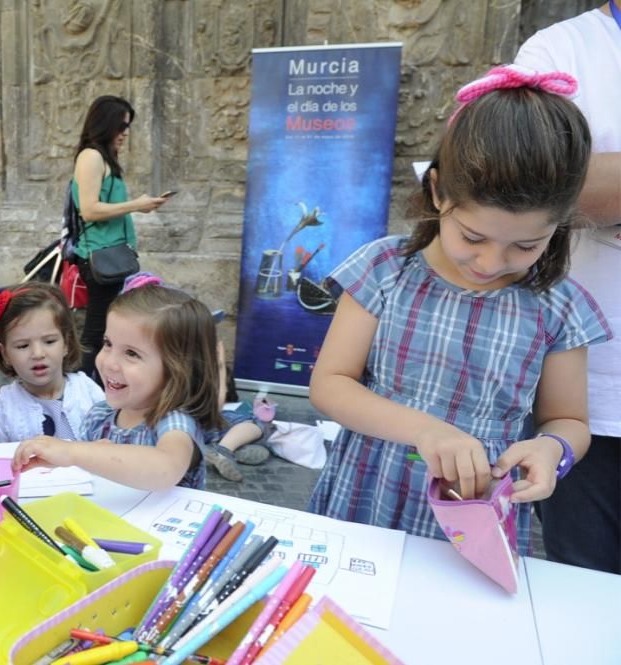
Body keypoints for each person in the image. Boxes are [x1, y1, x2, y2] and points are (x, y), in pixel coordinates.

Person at [306, 66, 612, 554]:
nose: (491, 263)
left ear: (560, 225)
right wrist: (426, 430)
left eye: (526, 245)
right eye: (473, 236)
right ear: (437, 192)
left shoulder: (561, 306)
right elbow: (329, 385)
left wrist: (551, 449)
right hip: (365, 497)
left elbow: (568, 421)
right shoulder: (385, 269)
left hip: (478, 517)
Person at [514, 1, 621, 574]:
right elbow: (536, 179)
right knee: (583, 585)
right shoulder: (562, 51)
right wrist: (576, 188)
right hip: (592, 395)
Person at [11, 275, 223, 491]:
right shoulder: (99, 416)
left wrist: (74, 452)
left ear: (176, 367)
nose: (109, 362)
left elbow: (166, 467)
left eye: (131, 353)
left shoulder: (175, 423)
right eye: (108, 343)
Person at [72, 96, 170, 382]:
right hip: (100, 257)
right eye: (122, 125)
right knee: (96, 330)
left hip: (112, 255)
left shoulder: (104, 159)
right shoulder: (91, 157)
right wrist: (136, 205)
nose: (125, 132)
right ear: (106, 124)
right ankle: (82, 391)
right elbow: (89, 209)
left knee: (105, 329)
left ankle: (99, 386)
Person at [0, 282, 104, 442]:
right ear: (5, 353)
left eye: (49, 341)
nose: (38, 354)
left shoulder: (88, 392)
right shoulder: (5, 407)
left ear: (66, 343)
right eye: (23, 346)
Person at [203, 341, 272, 482]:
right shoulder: (228, 405)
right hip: (214, 424)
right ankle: (224, 450)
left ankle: (211, 451)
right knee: (254, 423)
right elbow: (218, 401)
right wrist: (220, 365)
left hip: (198, 434)